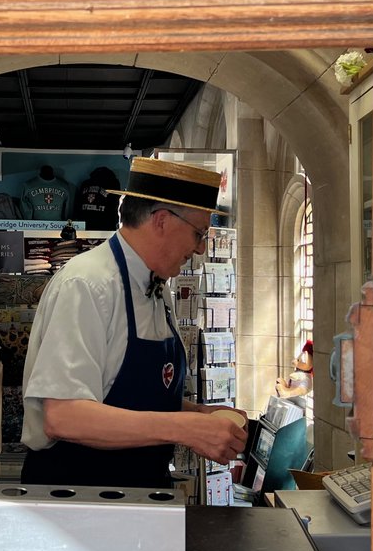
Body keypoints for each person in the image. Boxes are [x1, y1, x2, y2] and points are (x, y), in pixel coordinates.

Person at [20, 156, 247, 489]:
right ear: (162, 221)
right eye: (198, 233)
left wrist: (196, 415)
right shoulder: (88, 285)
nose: (200, 248)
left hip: (139, 488)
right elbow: (63, 416)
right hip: (79, 493)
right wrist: (185, 429)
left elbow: (121, 393)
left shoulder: (155, 287)